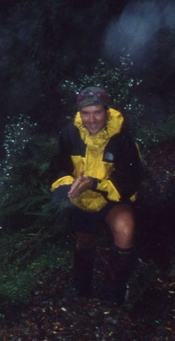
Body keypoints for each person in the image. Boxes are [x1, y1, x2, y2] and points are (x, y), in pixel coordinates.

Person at [49, 86, 143, 304]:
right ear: (80, 114)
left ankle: (114, 291)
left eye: (97, 112)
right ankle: (81, 286)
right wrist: (67, 186)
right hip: (82, 198)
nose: (92, 120)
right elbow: (57, 167)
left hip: (113, 197)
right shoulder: (70, 134)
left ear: (107, 112)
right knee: (85, 241)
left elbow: (131, 180)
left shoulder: (122, 139)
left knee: (125, 231)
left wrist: (96, 184)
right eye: (86, 113)